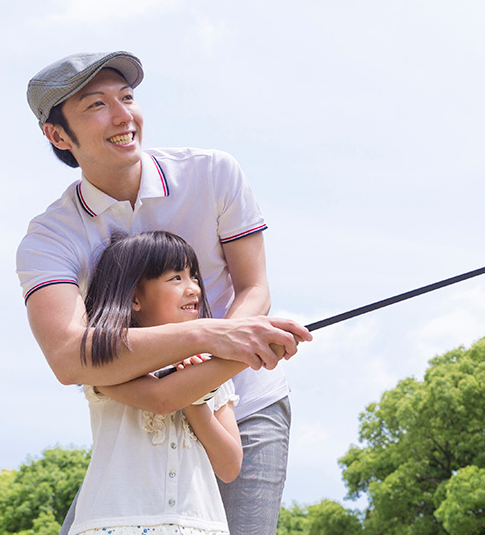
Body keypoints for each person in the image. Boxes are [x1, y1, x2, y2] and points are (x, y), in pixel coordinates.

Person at [16, 51, 312, 535]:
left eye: (127, 97)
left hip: (245, 405)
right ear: (58, 135)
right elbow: (69, 358)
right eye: (95, 105)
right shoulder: (49, 238)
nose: (122, 115)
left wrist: (213, 370)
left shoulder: (214, 172)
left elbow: (253, 288)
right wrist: (214, 338)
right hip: (138, 417)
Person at [72, 230, 246, 535]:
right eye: (175, 278)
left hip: (198, 524)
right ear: (135, 297)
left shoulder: (209, 369)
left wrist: (198, 401)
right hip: (116, 523)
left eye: (193, 276)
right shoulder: (104, 362)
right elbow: (162, 399)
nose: (193, 288)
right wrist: (191, 386)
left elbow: (230, 466)